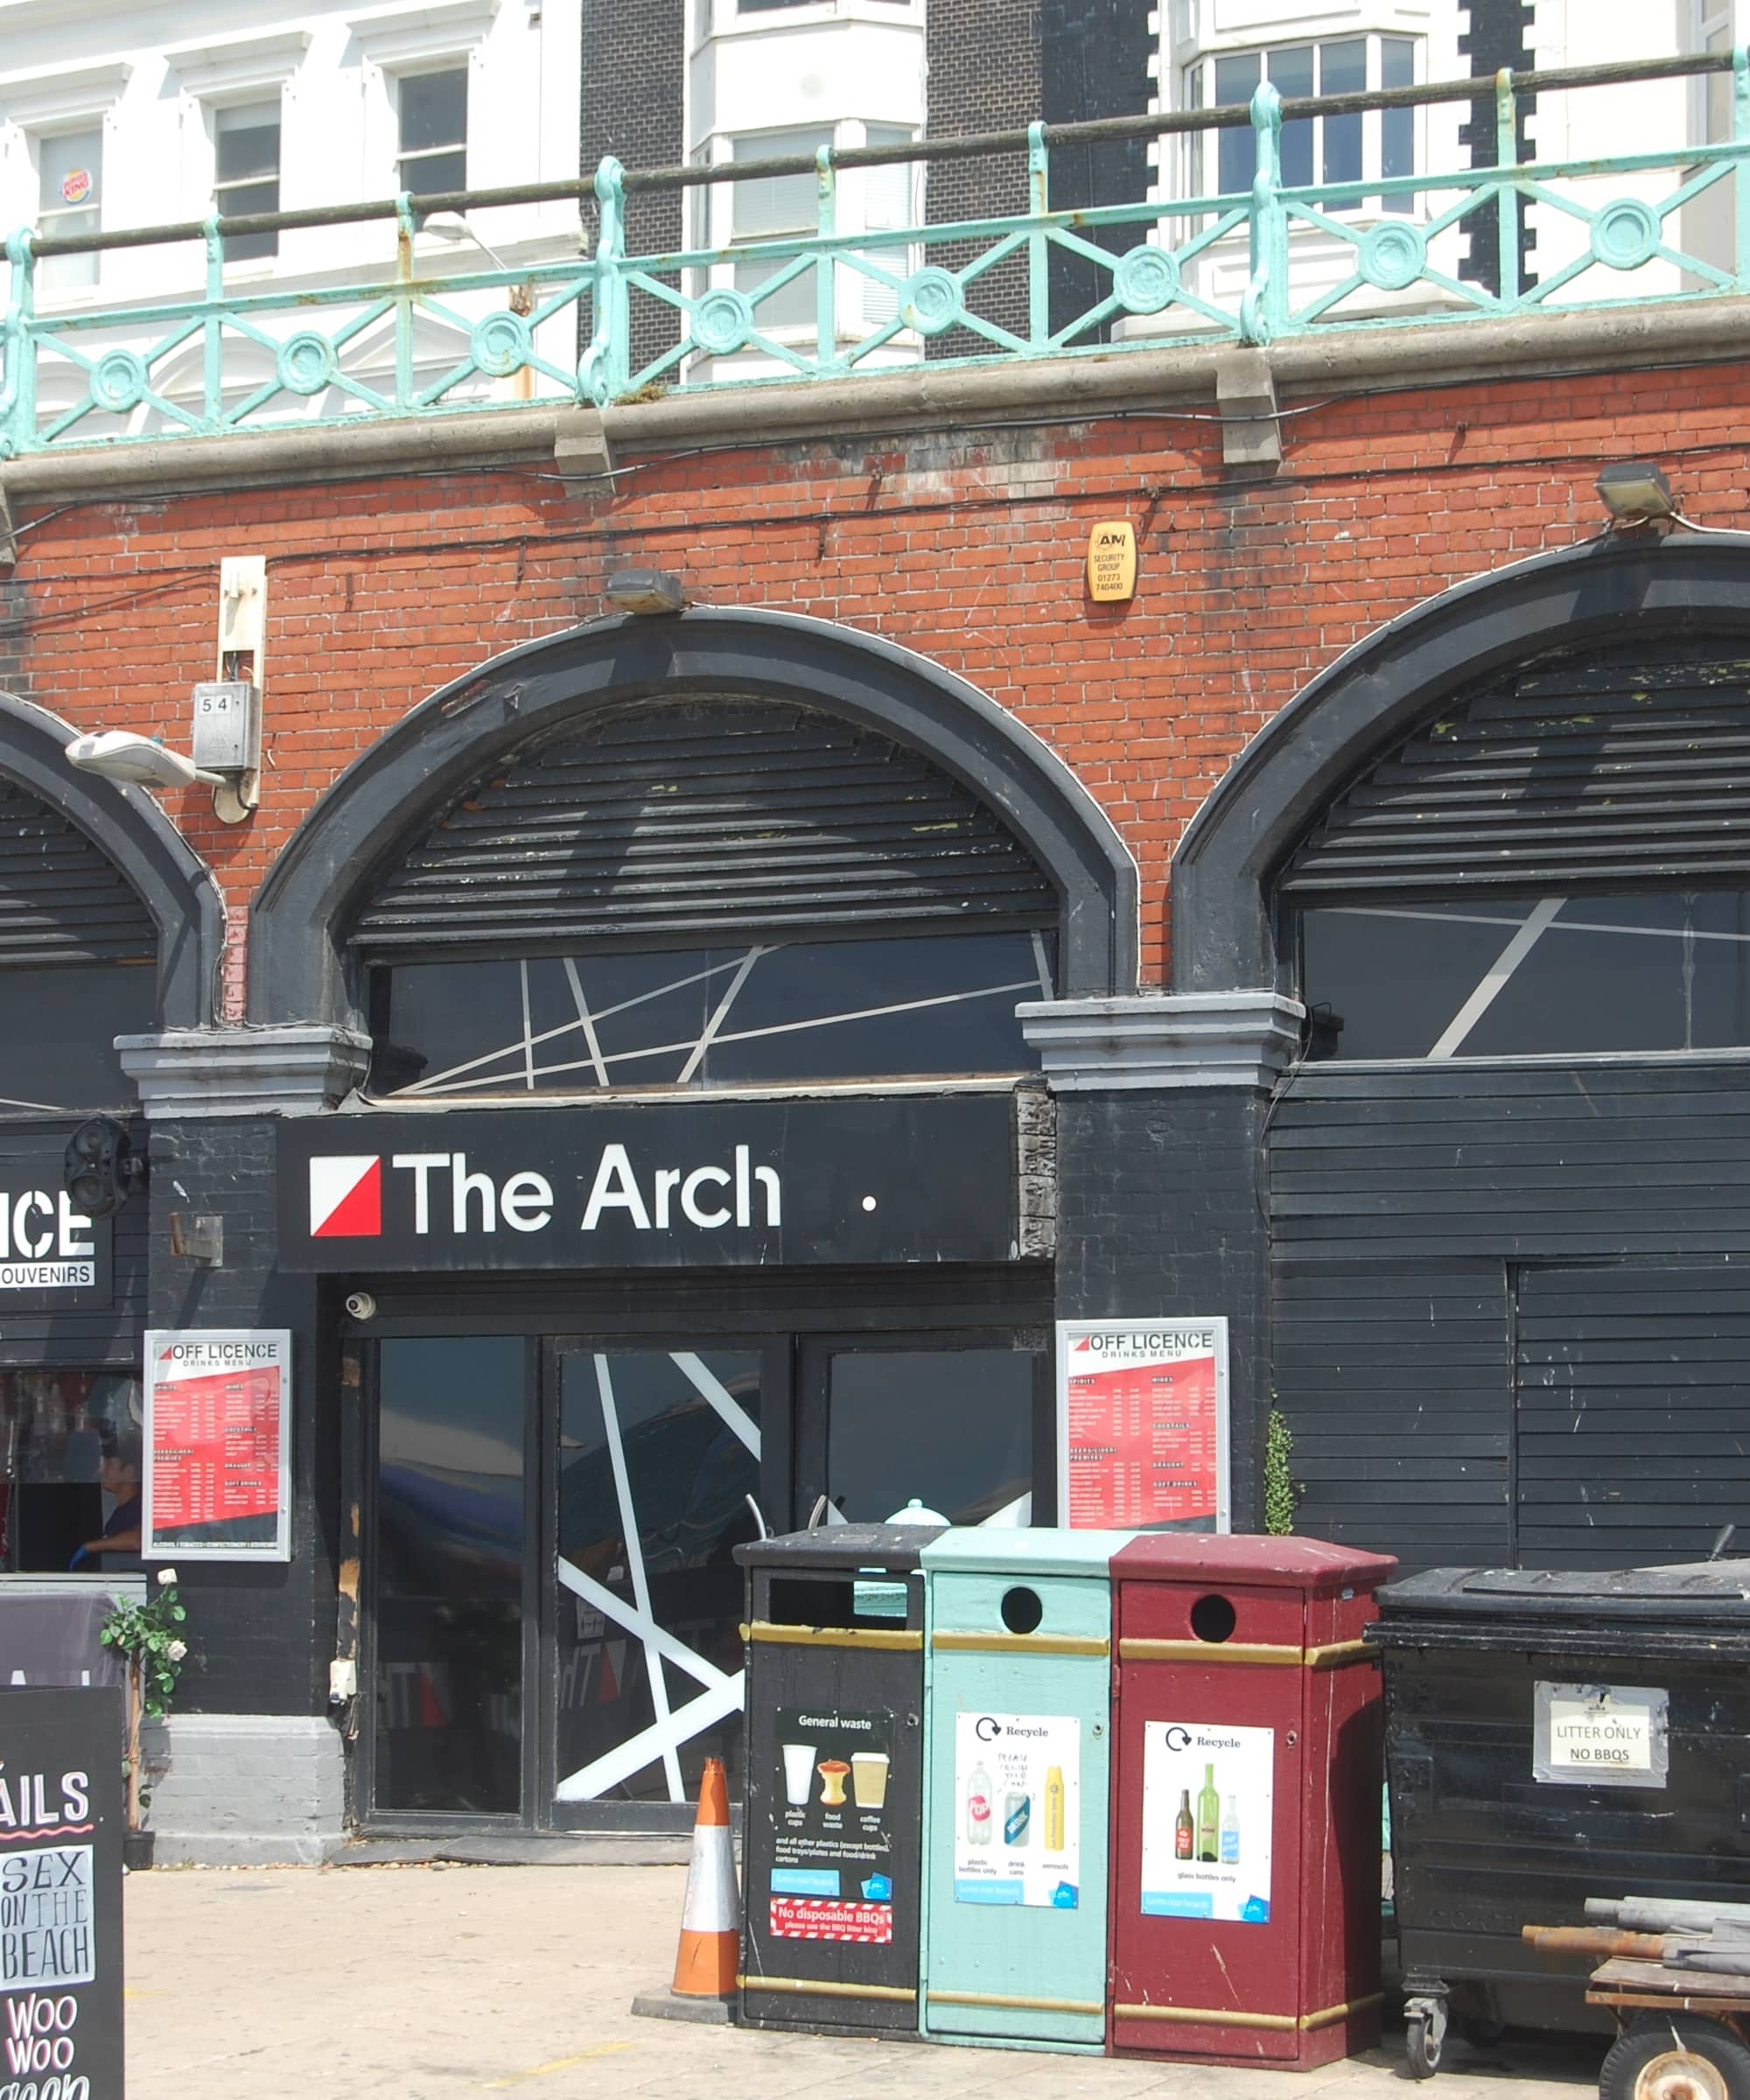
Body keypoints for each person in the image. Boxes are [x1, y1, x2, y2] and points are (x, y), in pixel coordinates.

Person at [70, 1434, 144, 1571]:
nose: (102, 1470)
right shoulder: (122, 1511)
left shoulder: (140, 1508)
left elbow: (138, 1539)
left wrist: (89, 1547)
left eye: (109, 1465)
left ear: (128, 1472)